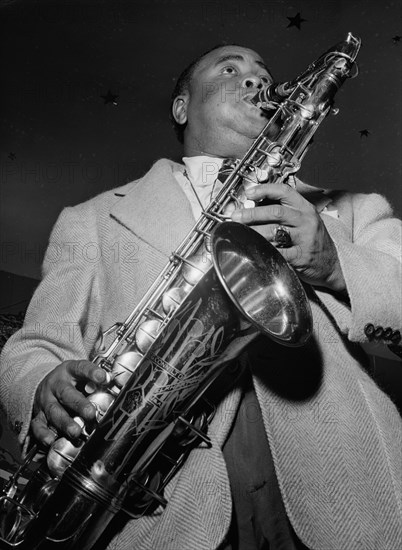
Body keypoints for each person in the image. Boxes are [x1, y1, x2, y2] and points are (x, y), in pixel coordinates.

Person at [1, 44, 401, 550]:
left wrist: (335, 264)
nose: (255, 80)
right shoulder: (92, 220)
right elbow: (34, 344)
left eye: (264, 74)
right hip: (155, 508)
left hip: (344, 500)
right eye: (231, 69)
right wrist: (40, 383)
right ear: (182, 106)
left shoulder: (354, 209)